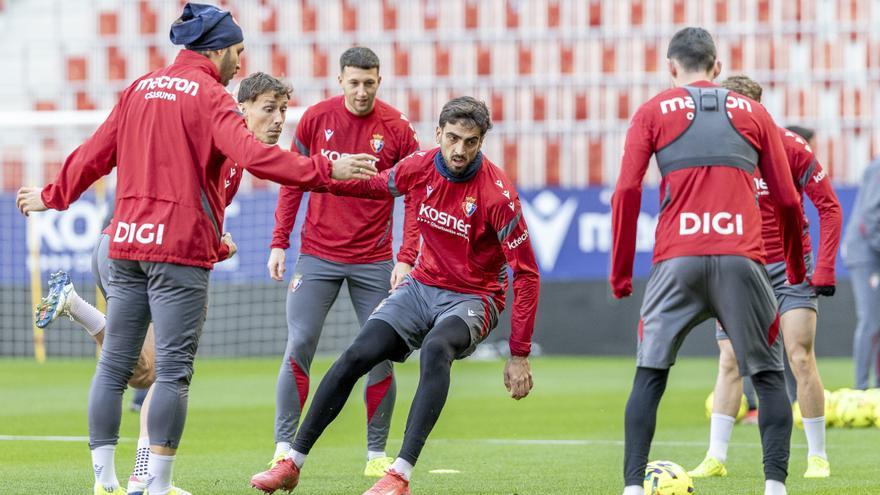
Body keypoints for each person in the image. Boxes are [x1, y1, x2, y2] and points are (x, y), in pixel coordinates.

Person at [14, 3, 376, 494]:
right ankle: (157, 485)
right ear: (220, 48)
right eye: (239, 53)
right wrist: (324, 170)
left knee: (118, 364)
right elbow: (251, 154)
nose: (240, 65)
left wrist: (53, 195)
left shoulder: (139, 87)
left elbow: (95, 153)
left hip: (124, 244)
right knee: (173, 372)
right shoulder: (211, 95)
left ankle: (104, 483)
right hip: (175, 252)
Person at [250, 96, 540, 495]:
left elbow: (526, 273)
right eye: (452, 138)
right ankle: (292, 463)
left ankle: (399, 474)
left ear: (481, 142)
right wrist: (321, 176)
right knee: (357, 354)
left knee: (438, 347)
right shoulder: (420, 166)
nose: (459, 150)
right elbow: (377, 187)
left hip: (473, 296)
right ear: (438, 133)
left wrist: (519, 353)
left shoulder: (497, 195)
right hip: (420, 287)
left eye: (470, 142)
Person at [31, 70, 293, 495]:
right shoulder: (216, 137)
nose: (279, 119)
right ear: (240, 108)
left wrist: (214, 244)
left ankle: (127, 477)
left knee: (144, 369)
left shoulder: (233, 160)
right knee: (160, 371)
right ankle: (145, 479)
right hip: (146, 251)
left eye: (283, 110)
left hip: (123, 245)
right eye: (269, 109)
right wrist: (217, 249)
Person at [610, 28, 807, 495]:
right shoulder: (755, 112)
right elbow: (787, 200)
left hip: (677, 259)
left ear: (670, 67)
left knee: (650, 373)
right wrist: (796, 268)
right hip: (742, 259)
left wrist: (620, 274)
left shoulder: (652, 111)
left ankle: (633, 488)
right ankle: (775, 488)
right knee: (769, 375)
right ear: (718, 68)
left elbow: (626, 192)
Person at [262, 46, 420, 478]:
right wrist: (279, 243)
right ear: (340, 80)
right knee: (299, 344)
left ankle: (375, 457)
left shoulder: (397, 128)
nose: (361, 91)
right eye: (354, 82)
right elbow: (293, 181)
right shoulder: (316, 119)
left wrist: (406, 257)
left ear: (379, 81)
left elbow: (417, 192)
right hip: (317, 256)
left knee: (382, 354)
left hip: (374, 260)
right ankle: (283, 447)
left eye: (369, 82)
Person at [689, 76, 841, 481]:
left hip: (791, 267)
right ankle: (715, 456)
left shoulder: (790, 147)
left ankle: (817, 455)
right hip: (742, 266)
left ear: (754, 109)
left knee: (799, 356)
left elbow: (829, 207)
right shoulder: (720, 152)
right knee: (730, 359)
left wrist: (823, 267)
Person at [842, 156, 880, 389]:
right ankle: (862, 389)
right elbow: (870, 216)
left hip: (873, 252)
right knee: (870, 320)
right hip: (867, 254)